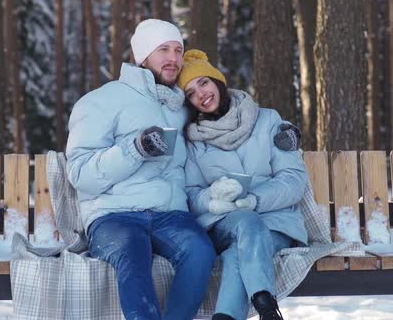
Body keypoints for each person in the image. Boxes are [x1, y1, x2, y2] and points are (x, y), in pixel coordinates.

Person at [65, 20, 216, 320]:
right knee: (133, 254)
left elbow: (224, 105)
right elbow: (81, 174)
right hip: (114, 216)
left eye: (178, 50)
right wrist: (135, 150)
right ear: (142, 56)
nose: (173, 58)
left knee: (201, 251)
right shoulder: (101, 101)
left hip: (170, 213)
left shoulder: (181, 106)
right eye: (163, 50)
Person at [180, 50, 309, 320]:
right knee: (246, 222)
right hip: (223, 223)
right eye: (191, 93)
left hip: (275, 222)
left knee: (236, 256)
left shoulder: (269, 121)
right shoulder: (194, 140)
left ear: (217, 81)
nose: (200, 94)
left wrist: (256, 200)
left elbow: (294, 180)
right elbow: (191, 195)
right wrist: (212, 198)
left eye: (203, 82)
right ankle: (266, 305)